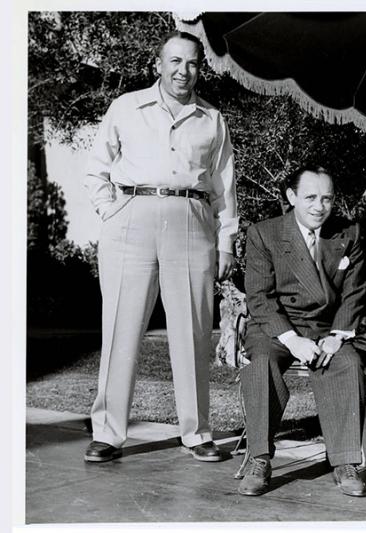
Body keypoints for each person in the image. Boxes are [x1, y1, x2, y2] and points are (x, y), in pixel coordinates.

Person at [83, 31, 238, 463]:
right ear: (158, 64)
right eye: (174, 61)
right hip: (131, 217)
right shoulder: (126, 107)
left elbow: (225, 185)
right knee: (121, 327)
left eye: (190, 63)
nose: (182, 71)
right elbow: (96, 168)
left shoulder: (212, 119)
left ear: (199, 68)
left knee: (191, 332)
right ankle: (109, 433)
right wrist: (110, 211)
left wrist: (226, 241)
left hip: (191, 220)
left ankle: (196, 431)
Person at [238, 165, 366, 497]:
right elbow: (259, 297)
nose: (318, 206)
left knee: (348, 364)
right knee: (262, 363)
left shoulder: (348, 234)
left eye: (327, 198)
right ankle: (259, 458)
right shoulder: (264, 233)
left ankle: (344, 461)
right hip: (275, 328)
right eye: (310, 197)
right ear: (291, 196)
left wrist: (338, 336)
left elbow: (354, 293)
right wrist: (292, 339)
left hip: (325, 328)